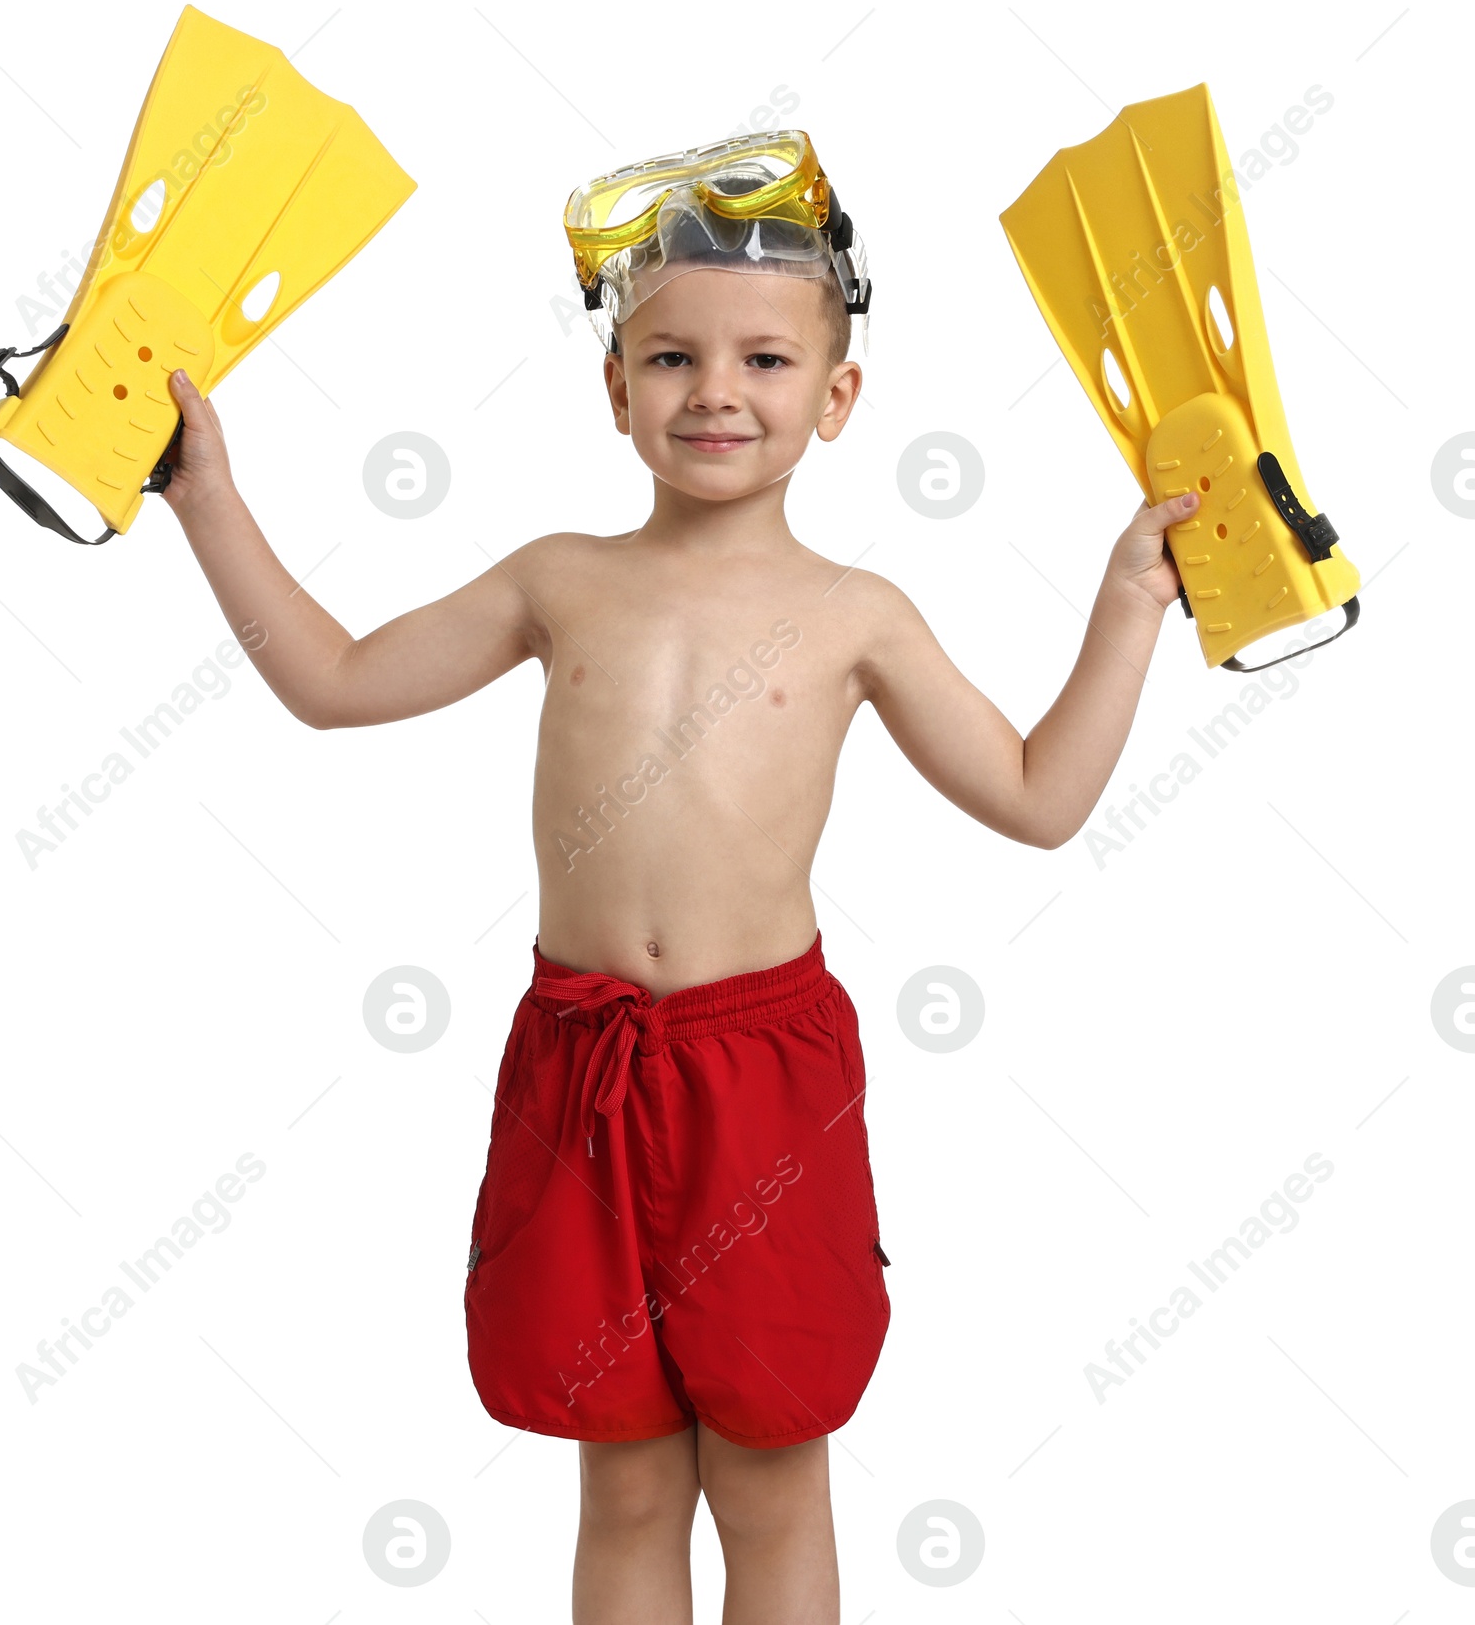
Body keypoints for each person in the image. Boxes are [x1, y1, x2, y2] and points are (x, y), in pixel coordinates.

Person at [163, 129, 1198, 1624]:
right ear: (615, 391)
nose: (717, 390)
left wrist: (1125, 605)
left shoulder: (859, 615)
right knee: (627, 1473)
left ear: (837, 399)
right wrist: (206, 498)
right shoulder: (556, 579)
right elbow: (329, 681)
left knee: (772, 1472)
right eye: (671, 360)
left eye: (768, 361)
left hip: (759, 1078)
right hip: (580, 1061)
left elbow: (1040, 799)